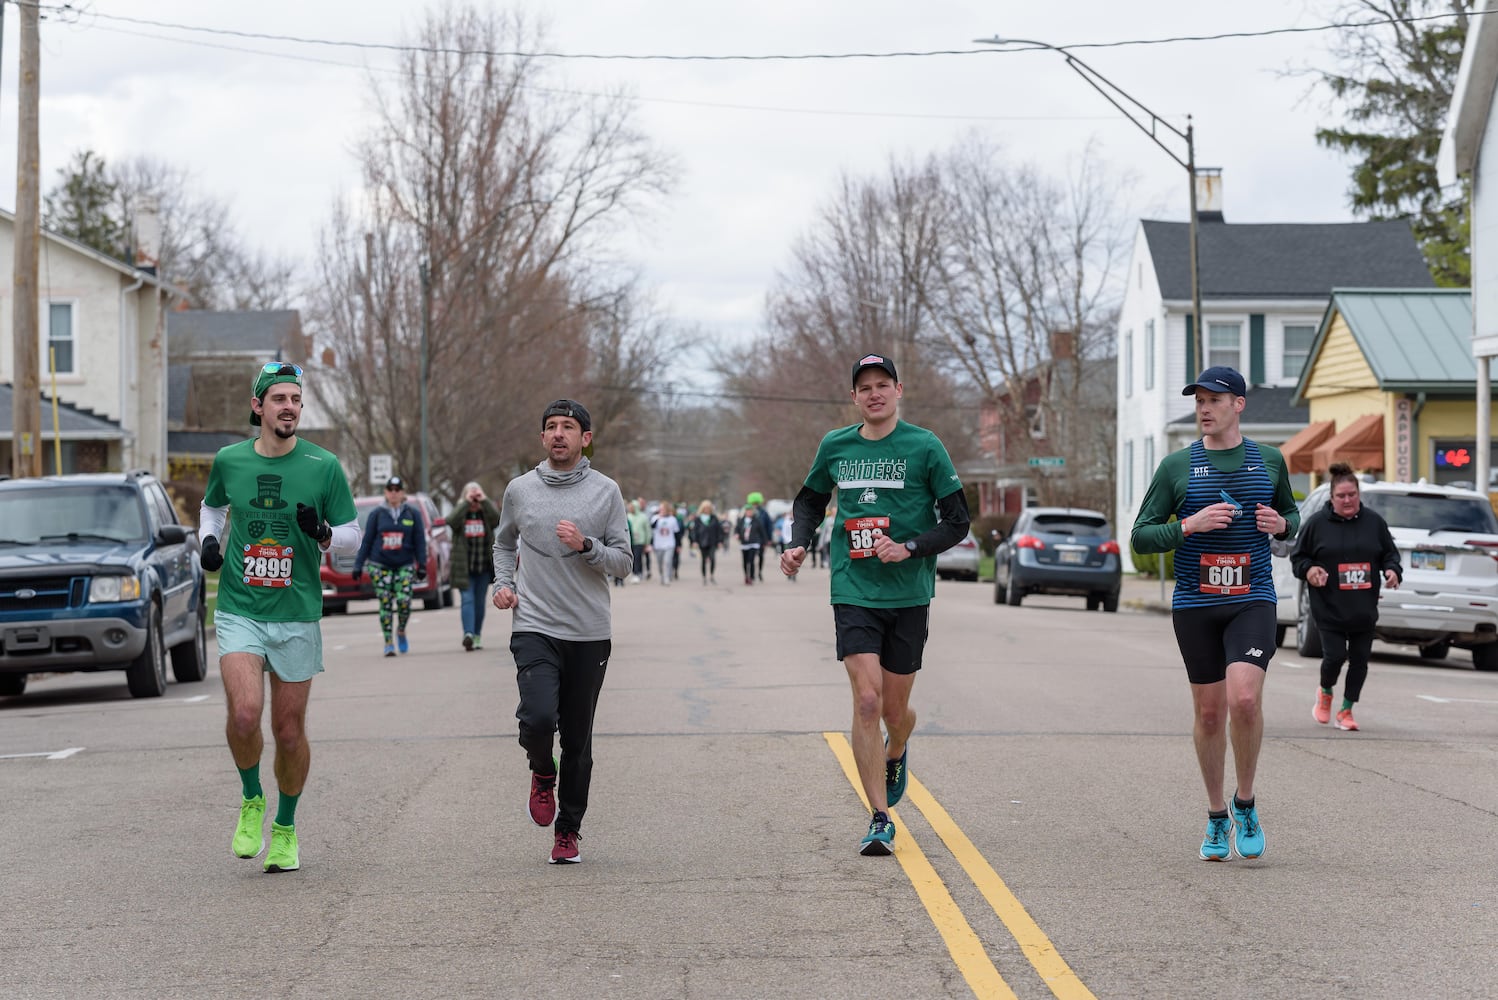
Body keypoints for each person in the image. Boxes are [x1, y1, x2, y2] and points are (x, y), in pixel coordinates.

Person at [780, 353, 970, 856]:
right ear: (854, 397)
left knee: (894, 709)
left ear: (898, 390)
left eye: (882, 384)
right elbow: (809, 501)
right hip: (853, 590)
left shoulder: (925, 447)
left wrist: (910, 547)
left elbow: (957, 522)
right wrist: (800, 541)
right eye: (865, 388)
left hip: (908, 593)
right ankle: (879, 816)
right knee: (866, 701)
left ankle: (899, 744)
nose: (874, 393)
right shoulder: (836, 446)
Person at [1131, 366, 1300, 863]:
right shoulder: (1176, 467)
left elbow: (1290, 517)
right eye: (1199, 400)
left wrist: (1280, 523)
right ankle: (1214, 814)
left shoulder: (1269, 461)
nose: (1204, 408)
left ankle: (1244, 802)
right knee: (1209, 713)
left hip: (1252, 598)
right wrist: (1190, 525)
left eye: (1214, 399)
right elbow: (1140, 536)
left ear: (1239, 404)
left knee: (1244, 700)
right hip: (1196, 604)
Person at [198, 361, 360, 873]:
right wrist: (208, 540)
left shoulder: (323, 466)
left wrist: (325, 534)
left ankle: (286, 826)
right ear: (258, 406)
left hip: (296, 612)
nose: (289, 407)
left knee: (288, 731)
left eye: (295, 399)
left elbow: (353, 542)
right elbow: (212, 507)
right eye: (279, 399)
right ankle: (252, 800)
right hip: (241, 606)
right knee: (245, 714)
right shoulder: (230, 460)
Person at [491, 399, 633, 864]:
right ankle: (540, 770)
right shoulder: (519, 490)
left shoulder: (606, 491)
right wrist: (504, 584)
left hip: (589, 630)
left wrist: (587, 545)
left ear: (585, 438)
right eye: (550, 426)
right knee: (536, 719)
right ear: (542, 437)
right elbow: (503, 543)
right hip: (534, 624)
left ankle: (568, 831)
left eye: (568, 427)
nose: (558, 434)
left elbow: (624, 563)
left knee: (577, 739)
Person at [1291, 462, 1401, 732]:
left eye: (1352, 494)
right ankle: (1326, 691)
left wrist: (1392, 570)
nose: (1347, 500)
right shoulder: (1317, 524)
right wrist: (1310, 570)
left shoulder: (1374, 522)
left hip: (1363, 608)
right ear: (1332, 497)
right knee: (1335, 656)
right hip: (1328, 606)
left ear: (1358, 494)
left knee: (1360, 660)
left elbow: (1390, 553)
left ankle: (1347, 709)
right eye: (1341, 496)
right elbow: (1298, 558)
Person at [353, 477, 428, 657]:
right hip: (380, 565)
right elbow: (368, 541)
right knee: (385, 602)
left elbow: (420, 541)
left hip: (404, 565)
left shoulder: (412, 514)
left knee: (404, 602)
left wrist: (422, 565)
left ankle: (401, 630)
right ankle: (388, 641)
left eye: (397, 489)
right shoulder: (377, 514)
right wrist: (358, 565)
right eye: (390, 489)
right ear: (386, 492)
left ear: (402, 493)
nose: (393, 493)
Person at [446, 480, 501, 651]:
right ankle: (468, 634)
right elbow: (451, 520)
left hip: (483, 568)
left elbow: (497, 519)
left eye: (477, 498)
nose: (475, 502)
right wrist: (466, 502)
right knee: (467, 600)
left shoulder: (485, 515)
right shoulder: (461, 515)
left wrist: (483, 500)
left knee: (479, 603)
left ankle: (477, 635)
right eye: (472, 499)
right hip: (464, 568)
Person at [691, 500, 726, 584]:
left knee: (712, 558)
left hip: (712, 541)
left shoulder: (714, 518)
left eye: (708, 508)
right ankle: (704, 577)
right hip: (702, 541)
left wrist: (720, 541)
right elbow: (695, 531)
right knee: (703, 560)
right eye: (705, 508)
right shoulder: (698, 519)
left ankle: (711, 575)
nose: (707, 509)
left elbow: (719, 530)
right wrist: (695, 541)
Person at [737, 496, 769, 585]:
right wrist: (737, 534)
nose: (749, 512)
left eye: (750, 511)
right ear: (745, 512)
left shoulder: (757, 520)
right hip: (744, 543)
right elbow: (737, 529)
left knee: (751, 560)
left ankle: (751, 577)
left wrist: (765, 542)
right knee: (745, 561)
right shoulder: (741, 520)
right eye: (747, 511)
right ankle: (746, 576)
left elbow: (762, 531)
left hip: (754, 543)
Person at [650, 501, 679, 586]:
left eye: (663, 509)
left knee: (667, 561)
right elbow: (652, 526)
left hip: (669, 544)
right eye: (660, 509)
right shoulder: (655, 518)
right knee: (659, 563)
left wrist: (678, 545)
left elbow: (677, 533)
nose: (661, 510)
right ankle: (662, 575)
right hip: (658, 545)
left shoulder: (672, 519)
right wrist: (659, 517)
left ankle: (667, 578)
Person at [626, 499, 650, 583]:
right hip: (630, 540)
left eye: (632, 507)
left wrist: (647, 542)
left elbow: (647, 530)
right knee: (632, 558)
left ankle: (638, 573)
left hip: (640, 541)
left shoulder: (643, 517)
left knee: (638, 557)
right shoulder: (628, 516)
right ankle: (635, 573)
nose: (630, 509)